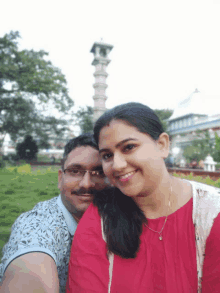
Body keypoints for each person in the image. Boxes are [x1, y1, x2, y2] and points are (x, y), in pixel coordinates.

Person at [67, 103, 220, 293]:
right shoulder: (102, 217)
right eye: (107, 155)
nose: (118, 165)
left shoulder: (211, 213)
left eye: (129, 147)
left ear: (162, 145)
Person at [0, 133, 109, 293]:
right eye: (75, 171)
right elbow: (30, 267)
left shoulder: (118, 216)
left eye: (99, 172)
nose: (86, 183)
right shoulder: (38, 225)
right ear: (60, 178)